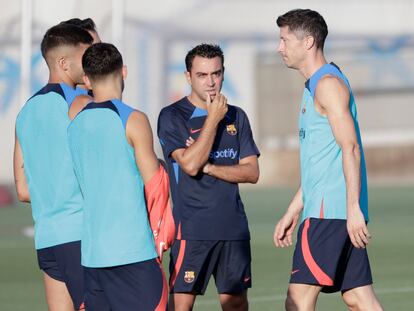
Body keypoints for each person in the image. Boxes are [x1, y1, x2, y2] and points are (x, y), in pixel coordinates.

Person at [272, 9, 383, 311]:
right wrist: (294, 210)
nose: (279, 47)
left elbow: (351, 149)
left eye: (284, 40)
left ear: (307, 42)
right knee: (359, 298)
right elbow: (321, 162)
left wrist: (352, 209)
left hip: (328, 216)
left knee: (298, 301)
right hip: (330, 212)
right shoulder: (314, 86)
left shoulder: (328, 85)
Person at [158, 43, 260, 311]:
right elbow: (190, 165)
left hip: (233, 229)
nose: (211, 82)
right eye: (202, 75)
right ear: (188, 76)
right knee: (180, 305)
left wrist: (212, 167)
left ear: (223, 73)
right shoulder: (172, 116)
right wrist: (213, 119)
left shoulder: (237, 116)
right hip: (191, 230)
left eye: (216, 73)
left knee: (236, 304)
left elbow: (252, 172)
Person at [67, 42, 167, 311]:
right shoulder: (133, 119)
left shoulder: (74, 125)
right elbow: (155, 184)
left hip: (92, 255)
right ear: (124, 72)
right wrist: (161, 236)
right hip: (133, 252)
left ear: (86, 79)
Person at [14, 23, 93, 310]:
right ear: (63, 62)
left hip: (47, 238)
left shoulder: (25, 112)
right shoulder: (82, 104)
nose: (91, 64)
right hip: (82, 234)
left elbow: (23, 189)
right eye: (86, 57)